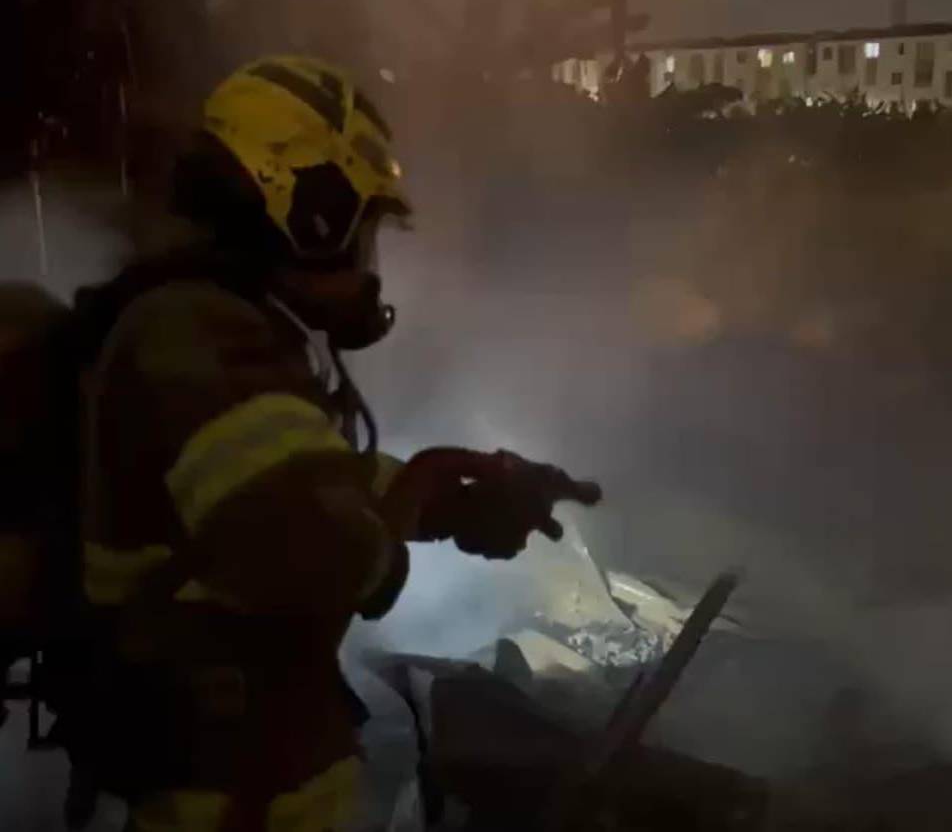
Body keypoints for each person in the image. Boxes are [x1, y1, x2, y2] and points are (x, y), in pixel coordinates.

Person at [69, 56, 600, 831]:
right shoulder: (192, 336)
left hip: (251, 780)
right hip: (220, 799)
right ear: (310, 208)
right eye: (364, 228)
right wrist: (420, 484)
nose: (369, 265)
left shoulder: (222, 327)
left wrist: (457, 500)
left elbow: (302, 480)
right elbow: (316, 554)